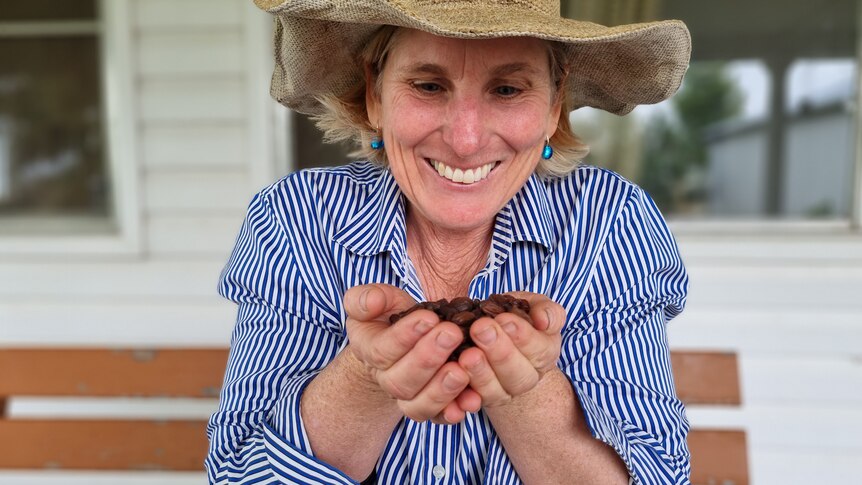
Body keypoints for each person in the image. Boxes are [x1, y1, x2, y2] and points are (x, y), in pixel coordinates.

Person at [206, 1, 692, 484]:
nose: (465, 140)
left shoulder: (611, 222)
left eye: (506, 89)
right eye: (428, 86)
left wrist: (528, 391)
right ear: (375, 95)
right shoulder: (295, 218)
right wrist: (366, 376)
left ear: (553, 104)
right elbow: (237, 475)